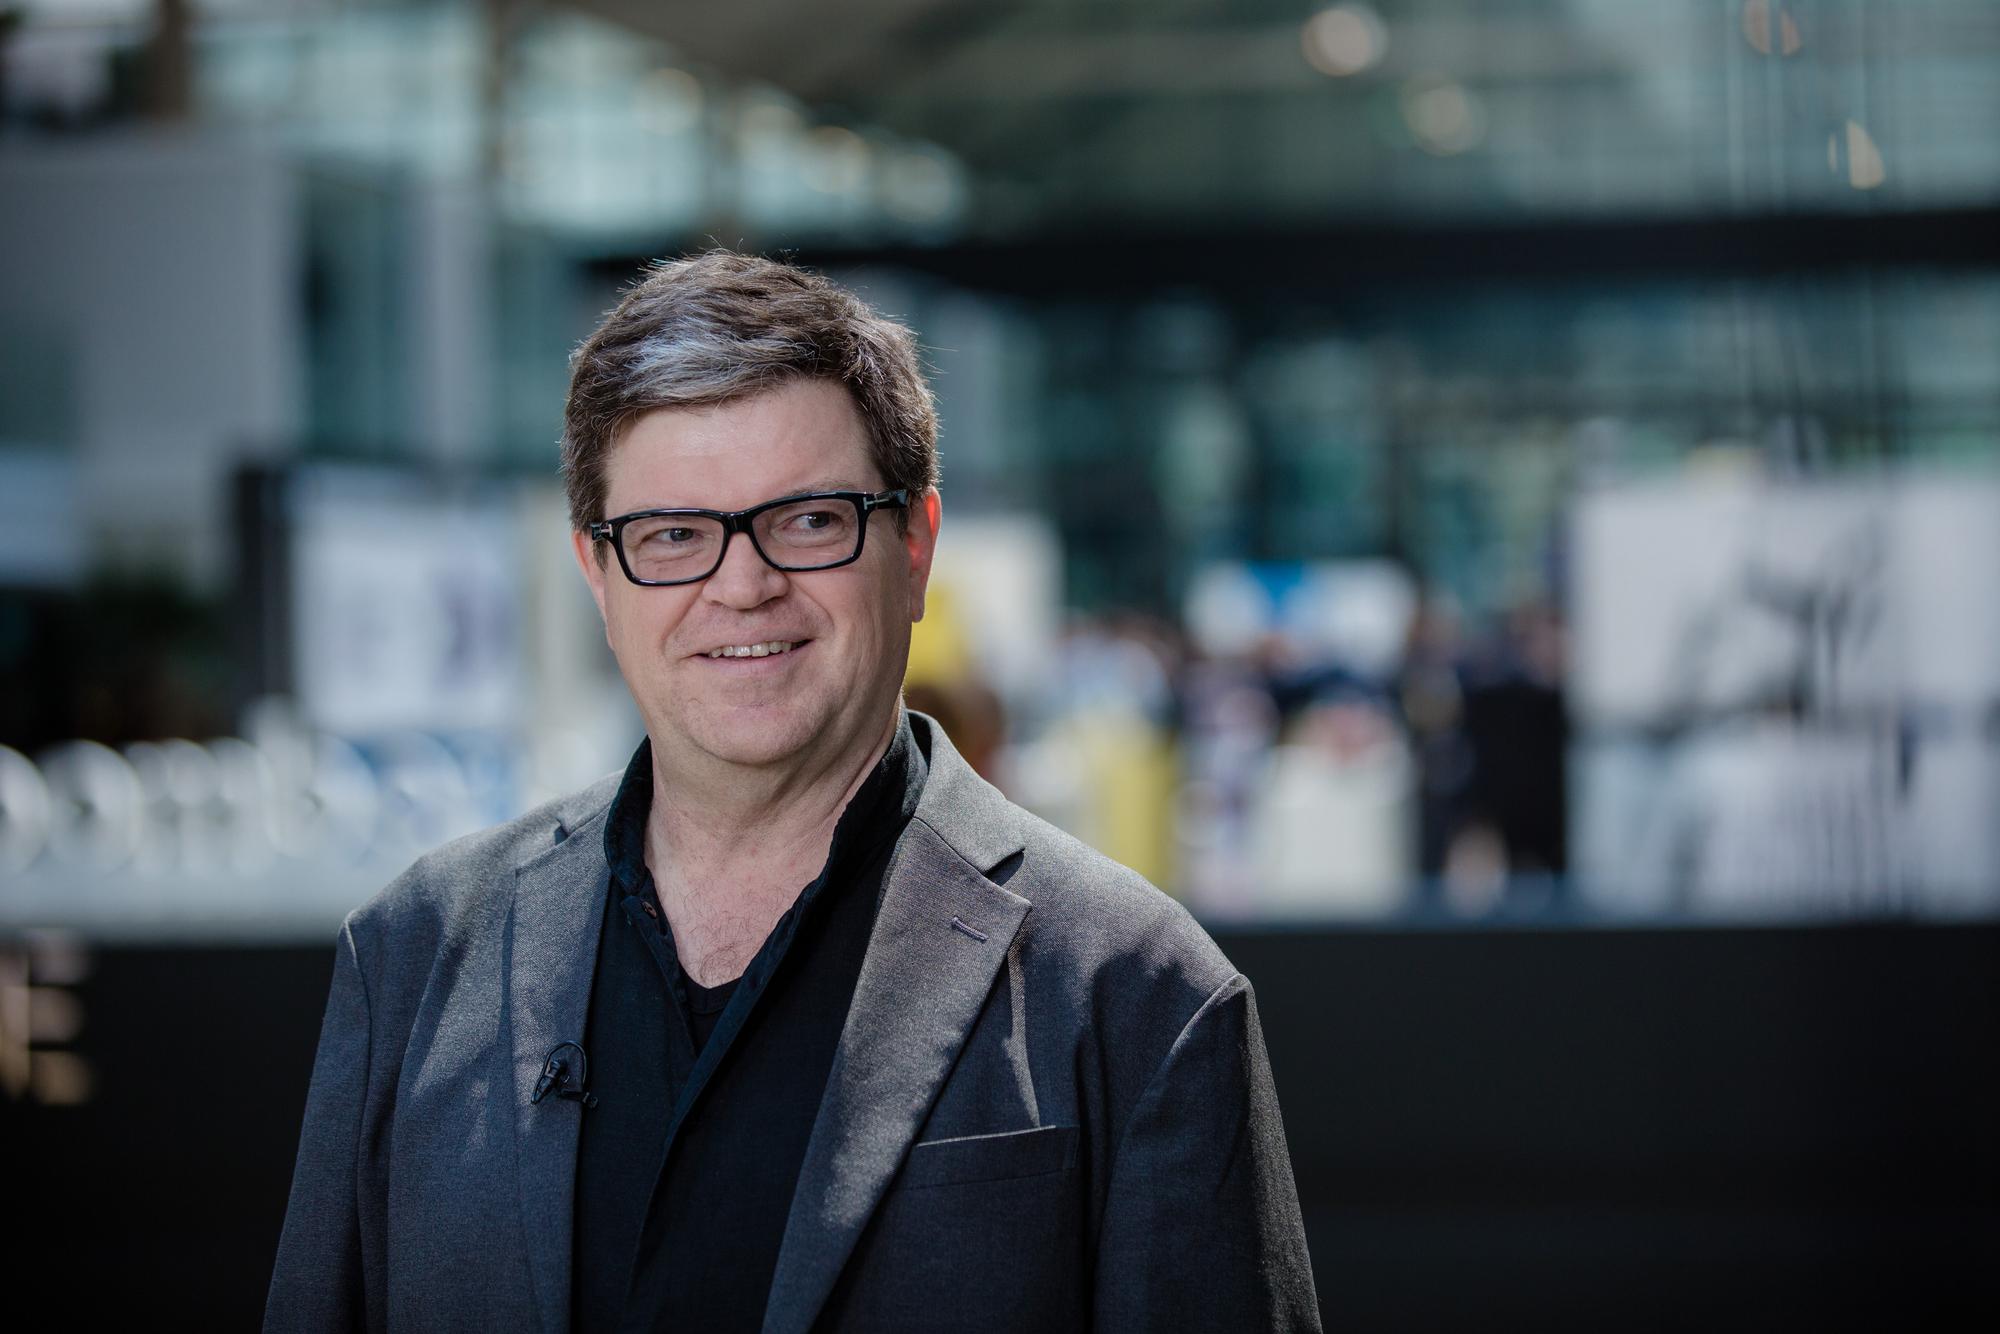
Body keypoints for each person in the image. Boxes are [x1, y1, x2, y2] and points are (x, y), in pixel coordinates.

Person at [265, 251, 1320, 1333]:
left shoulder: (1136, 988)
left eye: (809, 519)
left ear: (913, 547)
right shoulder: (412, 954)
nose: (740, 584)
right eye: (672, 534)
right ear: (597, 571)